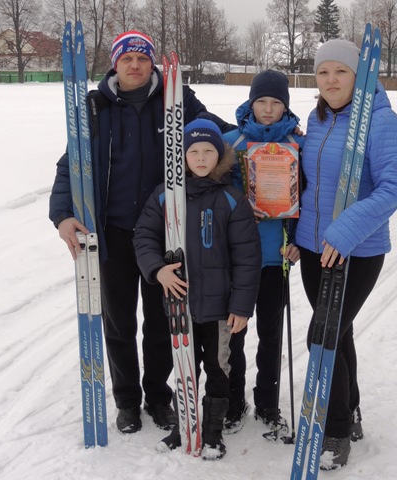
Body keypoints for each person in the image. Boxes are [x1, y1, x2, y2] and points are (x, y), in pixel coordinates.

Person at [49, 31, 234, 435]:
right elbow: (71, 163)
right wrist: (62, 214)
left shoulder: (176, 100)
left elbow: (221, 134)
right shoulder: (95, 108)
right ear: (115, 63)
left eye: (143, 58)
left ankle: (158, 397)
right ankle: (127, 401)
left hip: (164, 233)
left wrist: (267, 136)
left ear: (153, 64)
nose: (135, 65)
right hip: (111, 232)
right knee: (118, 323)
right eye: (127, 58)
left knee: (162, 320)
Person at [295, 39, 397, 469]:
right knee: (338, 333)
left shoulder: (382, 122)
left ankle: (336, 430)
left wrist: (344, 232)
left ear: (359, 75)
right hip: (312, 247)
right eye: (323, 73)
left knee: (322, 335)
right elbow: (310, 184)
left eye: (340, 71)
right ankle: (352, 408)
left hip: (358, 250)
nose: (330, 81)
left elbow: (391, 189)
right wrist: (294, 229)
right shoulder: (317, 118)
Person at [133, 119, 262, 459]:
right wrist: (157, 270)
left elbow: (248, 258)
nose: (201, 158)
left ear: (219, 155)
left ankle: (214, 432)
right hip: (179, 305)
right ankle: (184, 426)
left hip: (220, 309)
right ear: (182, 156)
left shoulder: (232, 199)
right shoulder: (164, 197)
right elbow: (144, 236)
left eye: (208, 151)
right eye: (193, 151)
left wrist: (241, 307)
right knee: (185, 367)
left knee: (219, 368)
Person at [222, 70, 302, 434]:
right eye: (262, 102)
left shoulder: (297, 144)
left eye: (276, 103)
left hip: (275, 257)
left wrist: (297, 238)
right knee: (233, 333)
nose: (268, 110)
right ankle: (233, 401)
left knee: (271, 334)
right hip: (237, 259)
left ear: (285, 106)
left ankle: (267, 403)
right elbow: (209, 188)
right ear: (251, 103)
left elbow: (309, 196)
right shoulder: (230, 143)